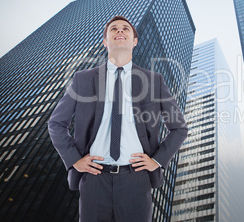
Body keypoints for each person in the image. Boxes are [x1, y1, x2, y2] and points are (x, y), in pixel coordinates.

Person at [48, 15, 188, 221]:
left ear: (134, 41)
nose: (119, 31)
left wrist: (157, 161)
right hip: (94, 180)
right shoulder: (83, 79)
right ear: (105, 41)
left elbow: (179, 128)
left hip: (136, 181)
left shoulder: (154, 81)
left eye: (125, 29)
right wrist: (74, 160)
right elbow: (56, 124)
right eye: (113, 29)